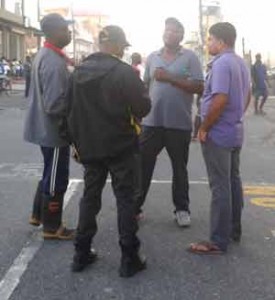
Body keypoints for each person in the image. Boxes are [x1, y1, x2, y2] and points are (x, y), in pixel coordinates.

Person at [67, 25, 151, 276]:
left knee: (89, 198)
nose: (122, 52)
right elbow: (143, 108)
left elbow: (66, 111)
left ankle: (81, 254)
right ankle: (129, 258)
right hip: (121, 146)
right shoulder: (124, 73)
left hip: (90, 147)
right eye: (122, 47)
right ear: (115, 45)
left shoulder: (77, 73)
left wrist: (75, 143)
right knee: (125, 200)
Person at [188, 22, 251, 255]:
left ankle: (217, 240)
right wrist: (236, 117)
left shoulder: (222, 63)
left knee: (220, 186)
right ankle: (233, 229)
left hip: (219, 133)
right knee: (233, 181)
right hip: (234, 131)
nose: (208, 43)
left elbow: (220, 98)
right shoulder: (240, 63)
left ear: (221, 41)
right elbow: (247, 95)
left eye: (210, 39)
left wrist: (205, 127)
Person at [135, 17, 204, 226]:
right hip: (151, 123)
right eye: (166, 30)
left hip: (179, 124)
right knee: (143, 167)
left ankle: (182, 209)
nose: (169, 34)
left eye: (174, 31)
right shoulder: (152, 57)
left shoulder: (190, 57)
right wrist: (139, 114)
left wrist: (170, 78)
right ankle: (135, 208)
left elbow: (199, 87)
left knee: (179, 169)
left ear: (181, 36)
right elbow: (145, 87)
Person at [24, 13, 74, 240]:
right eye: (65, 29)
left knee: (49, 171)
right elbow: (55, 105)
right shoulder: (53, 62)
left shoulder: (46, 54)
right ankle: (52, 227)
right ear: (54, 33)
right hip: (54, 131)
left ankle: (38, 214)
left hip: (44, 127)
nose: (69, 33)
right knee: (56, 178)